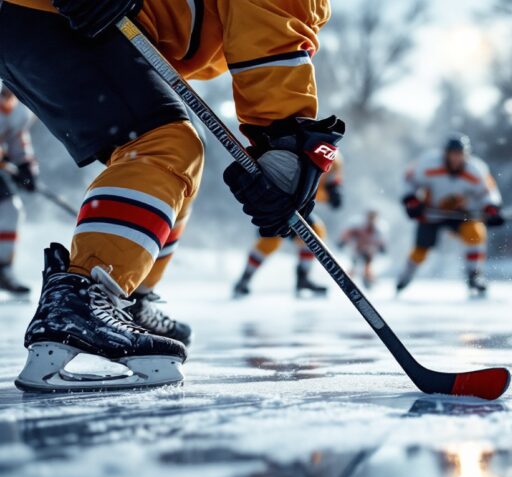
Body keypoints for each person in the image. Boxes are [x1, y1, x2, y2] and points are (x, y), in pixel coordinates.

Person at [0, 0, 343, 391]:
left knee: (177, 149)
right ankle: (80, 303)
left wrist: (281, 140)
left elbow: (261, 28)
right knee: (163, 144)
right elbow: (270, 30)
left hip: (48, 19)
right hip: (51, 14)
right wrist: (285, 137)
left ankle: (132, 299)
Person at [397, 133, 505, 297]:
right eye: (452, 154)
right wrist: (411, 200)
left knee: (475, 233)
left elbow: (488, 192)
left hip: (461, 215)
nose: (456, 158)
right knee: (421, 249)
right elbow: (409, 179)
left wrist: (491, 208)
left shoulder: (476, 169)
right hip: (431, 213)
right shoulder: (428, 164)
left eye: (460, 154)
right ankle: (405, 276)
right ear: (445, 153)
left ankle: (474, 276)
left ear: (466, 155)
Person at [233, 152, 343, 298]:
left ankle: (302, 278)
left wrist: (333, 193)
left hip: (297, 204)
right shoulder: (319, 149)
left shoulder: (334, 159)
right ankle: (245, 278)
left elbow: (330, 184)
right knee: (270, 239)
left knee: (314, 232)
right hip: (281, 195)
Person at [0, 84, 37, 296]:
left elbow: (17, 137)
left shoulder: (18, 108)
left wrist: (25, 166)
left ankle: (3, 270)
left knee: (10, 210)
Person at [338, 209, 386, 289]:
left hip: (369, 252)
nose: (371, 220)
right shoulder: (360, 227)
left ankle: (368, 280)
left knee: (368, 266)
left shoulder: (378, 230)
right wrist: (343, 241)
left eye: (373, 218)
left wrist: (382, 247)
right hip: (358, 250)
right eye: (370, 217)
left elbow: (381, 240)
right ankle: (346, 279)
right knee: (355, 265)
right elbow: (348, 233)